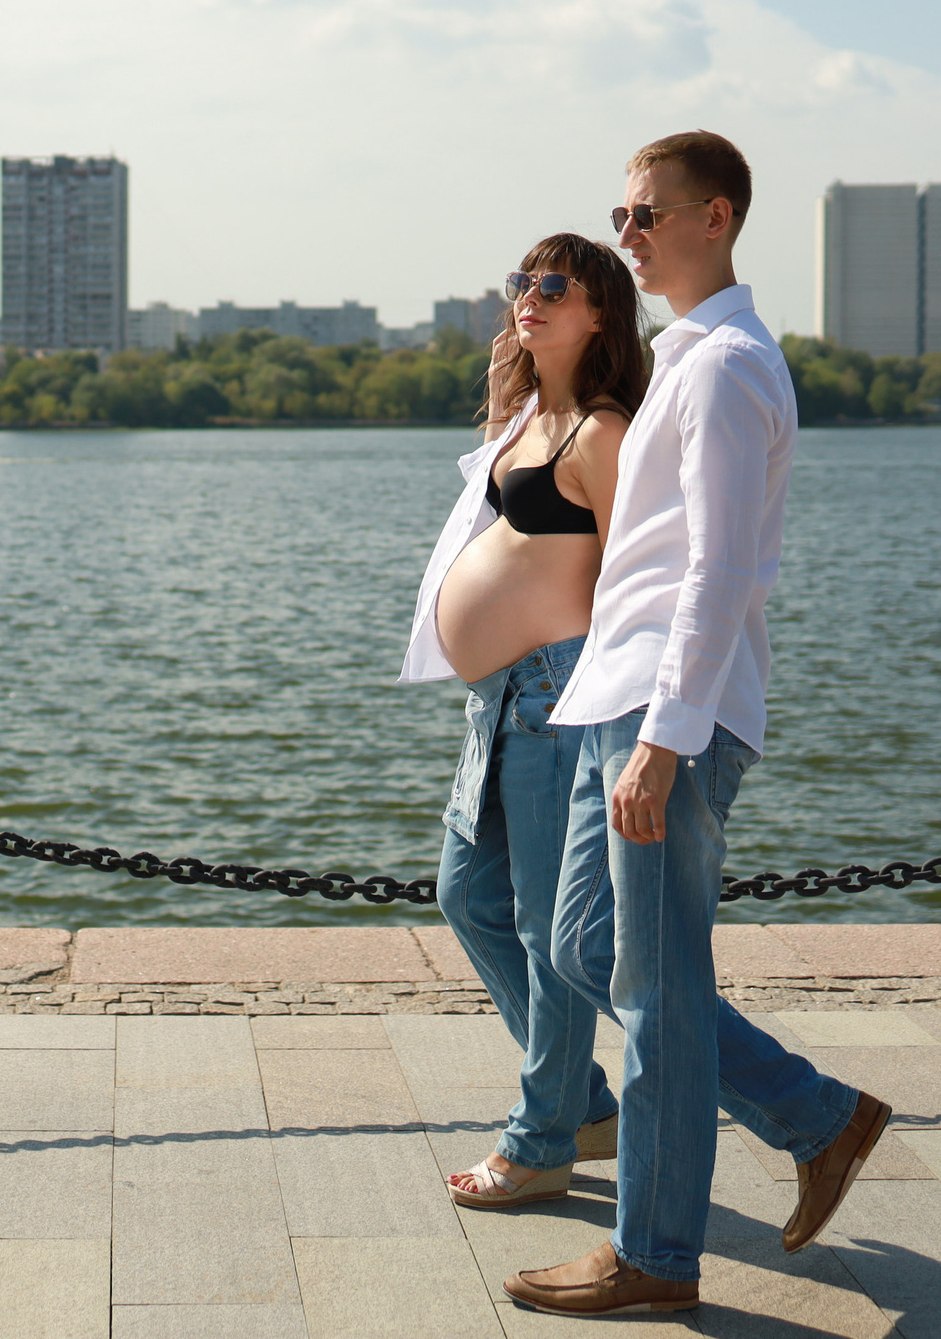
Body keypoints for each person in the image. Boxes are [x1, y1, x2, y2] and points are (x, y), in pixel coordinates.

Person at [506, 132, 893, 1319]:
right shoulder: (683, 356)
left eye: (646, 214)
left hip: (665, 714)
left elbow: (721, 571)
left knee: (659, 990)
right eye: (619, 214)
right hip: (615, 697)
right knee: (585, 949)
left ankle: (654, 1255)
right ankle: (816, 1117)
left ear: (714, 217)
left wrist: (664, 742)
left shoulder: (726, 366)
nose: (625, 234)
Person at [400, 232, 648, 1210]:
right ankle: (580, 1102)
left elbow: (636, 578)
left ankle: (542, 1140)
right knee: (465, 897)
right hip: (498, 701)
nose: (530, 297)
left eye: (555, 286)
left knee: (552, 934)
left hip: (557, 698)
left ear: (600, 312)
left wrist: (631, 721)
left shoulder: (602, 432)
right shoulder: (530, 420)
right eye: (522, 283)